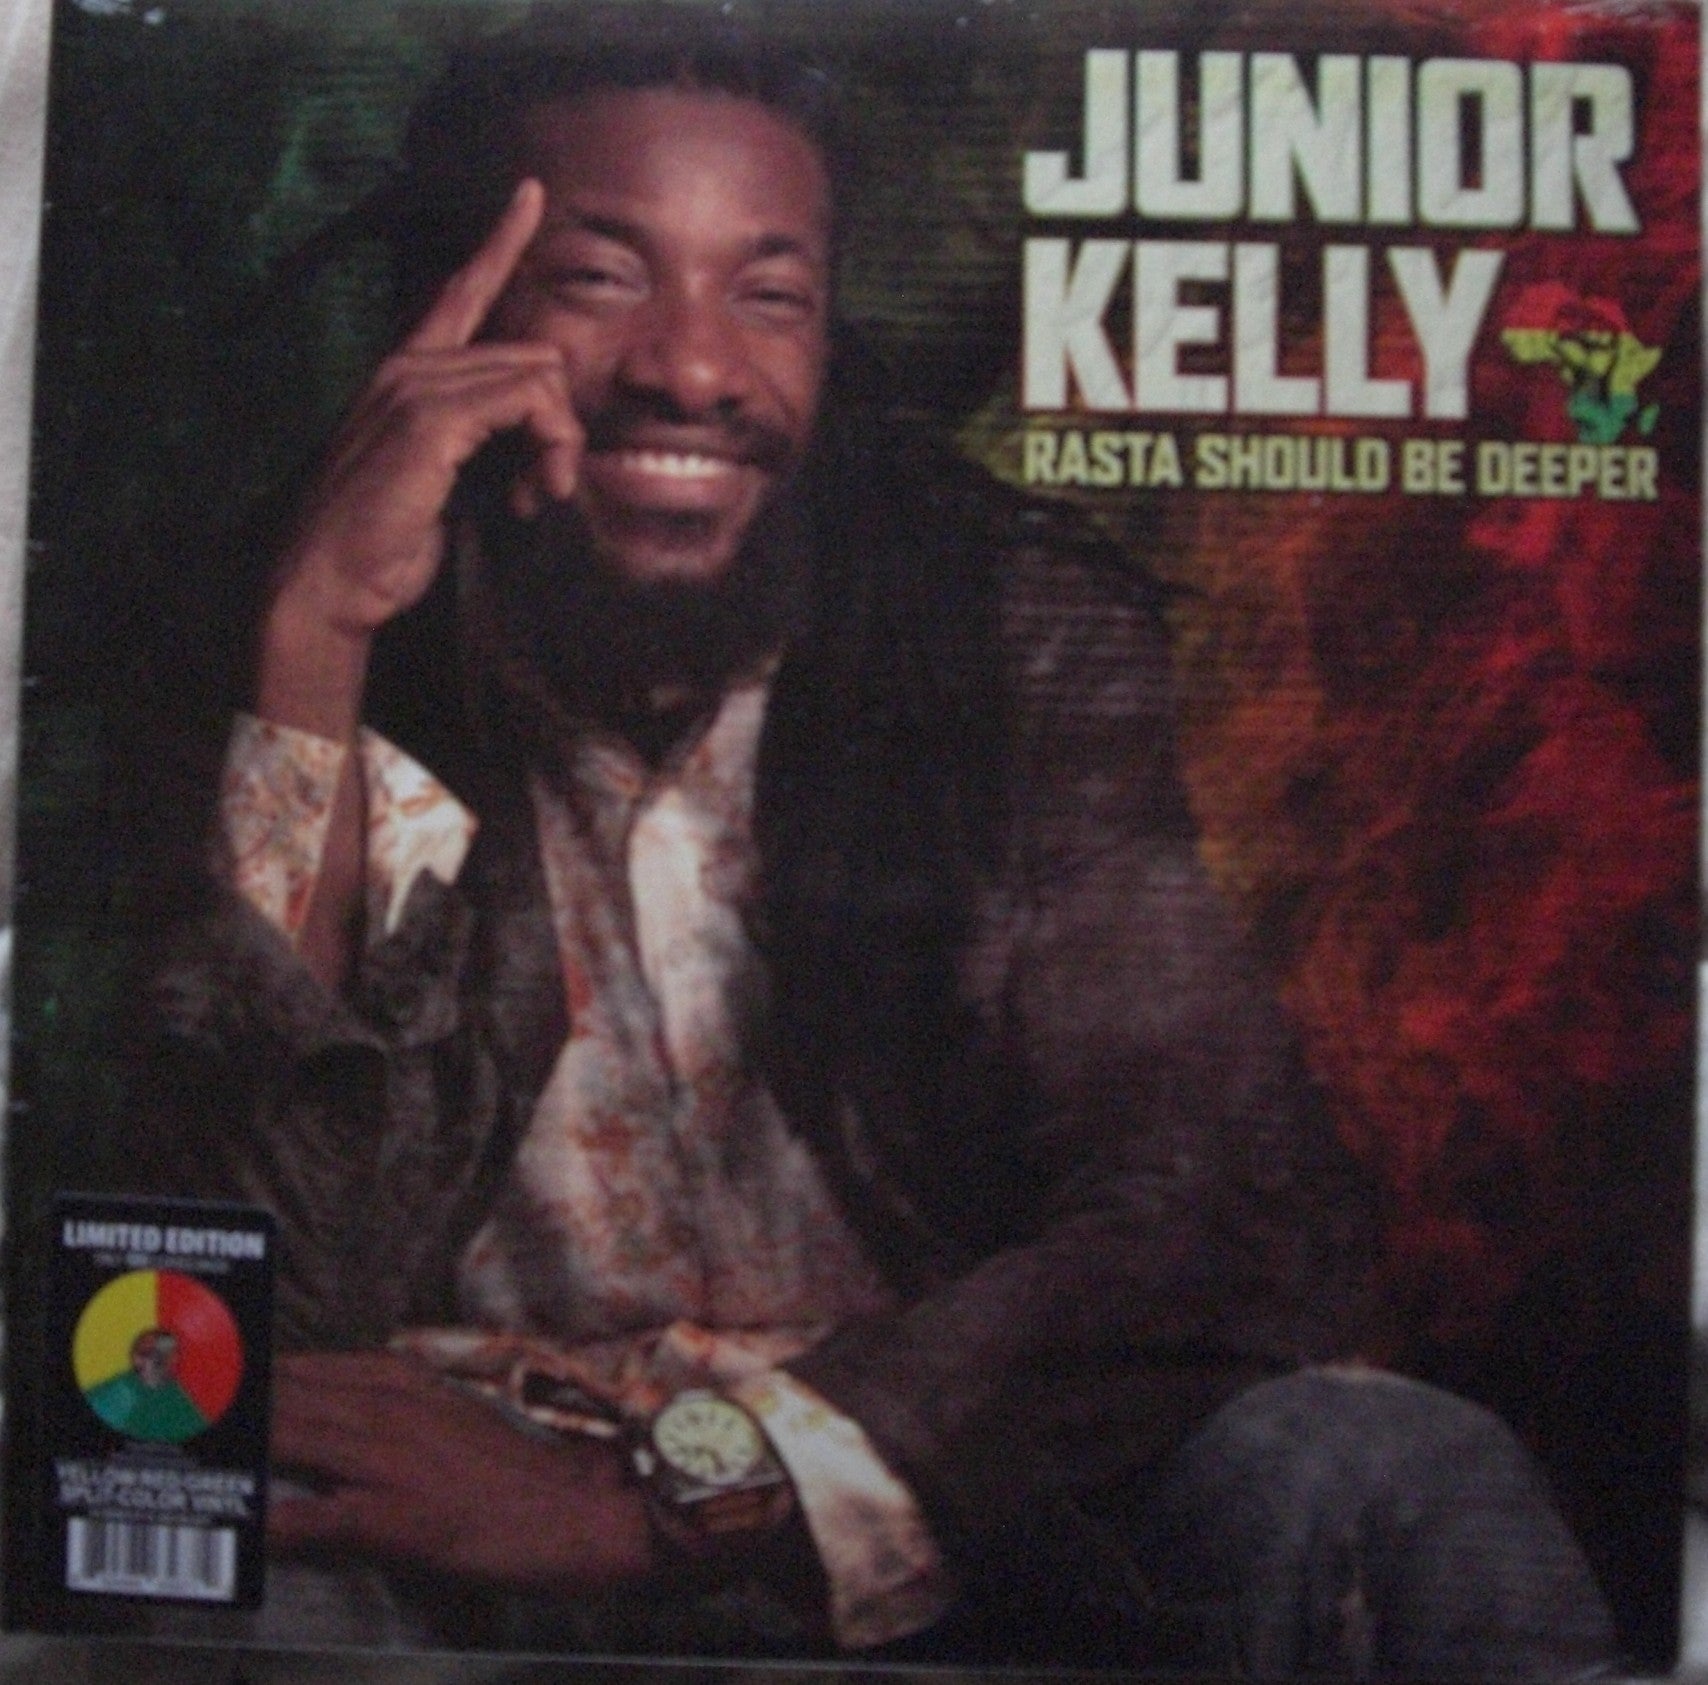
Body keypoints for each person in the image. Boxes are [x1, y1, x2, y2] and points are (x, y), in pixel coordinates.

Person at [135, 13, 1618, 1672]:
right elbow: (249, 1294)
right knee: (194, 1523)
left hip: (945, 1508)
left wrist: (666, 1497)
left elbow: (1216, 1206)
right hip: (460, 1515)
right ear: (452, 316)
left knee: (1393, 1473)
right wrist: (314, 642)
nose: (695, 368)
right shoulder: (309, 630)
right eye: (602, 277)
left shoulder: (1014, 641)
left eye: (768, 294)